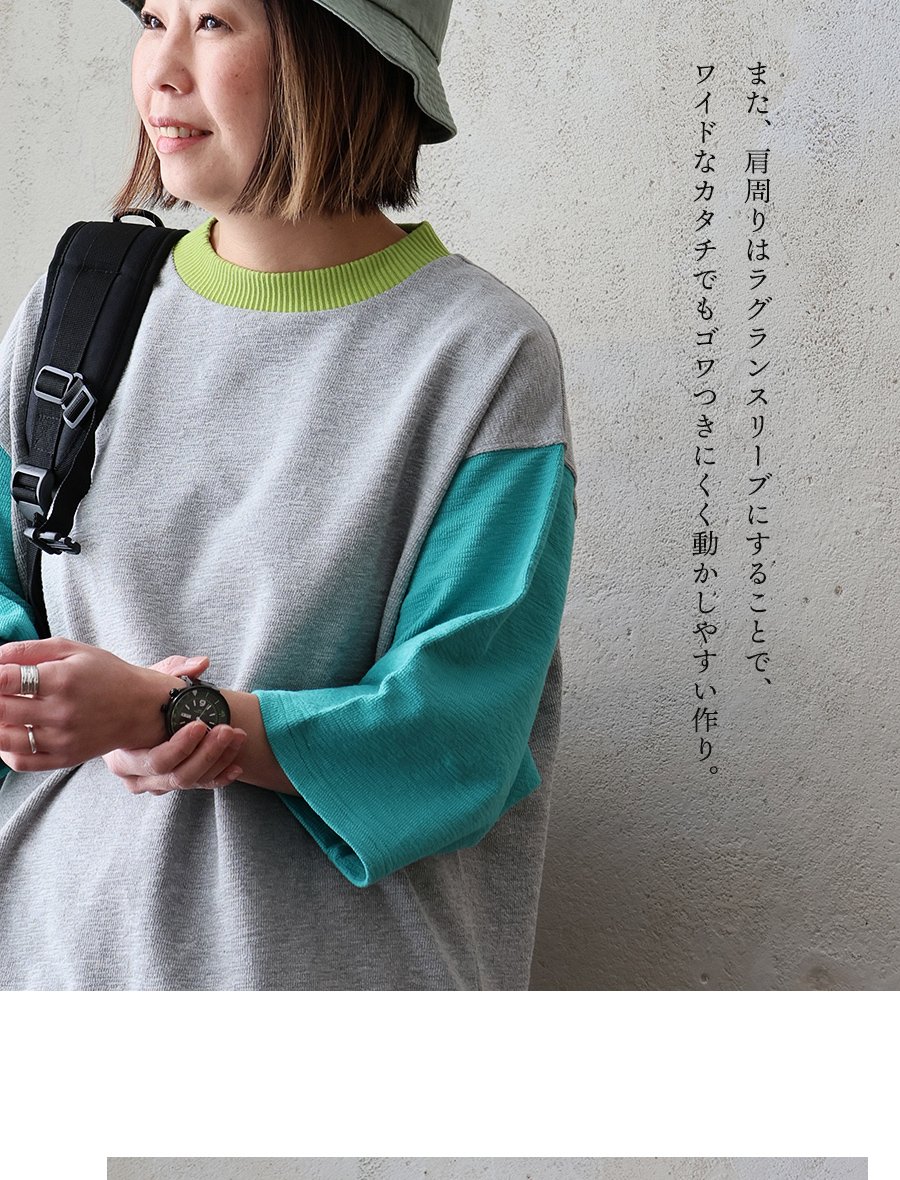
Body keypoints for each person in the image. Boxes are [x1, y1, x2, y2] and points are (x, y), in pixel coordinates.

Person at [0, 0, 578, 989]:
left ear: (335, 56)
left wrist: (176, 712)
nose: (161, 69)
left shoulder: (482, 356)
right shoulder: (75, 311)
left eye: (213, 22)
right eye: (154, 17)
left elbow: (457, 735)